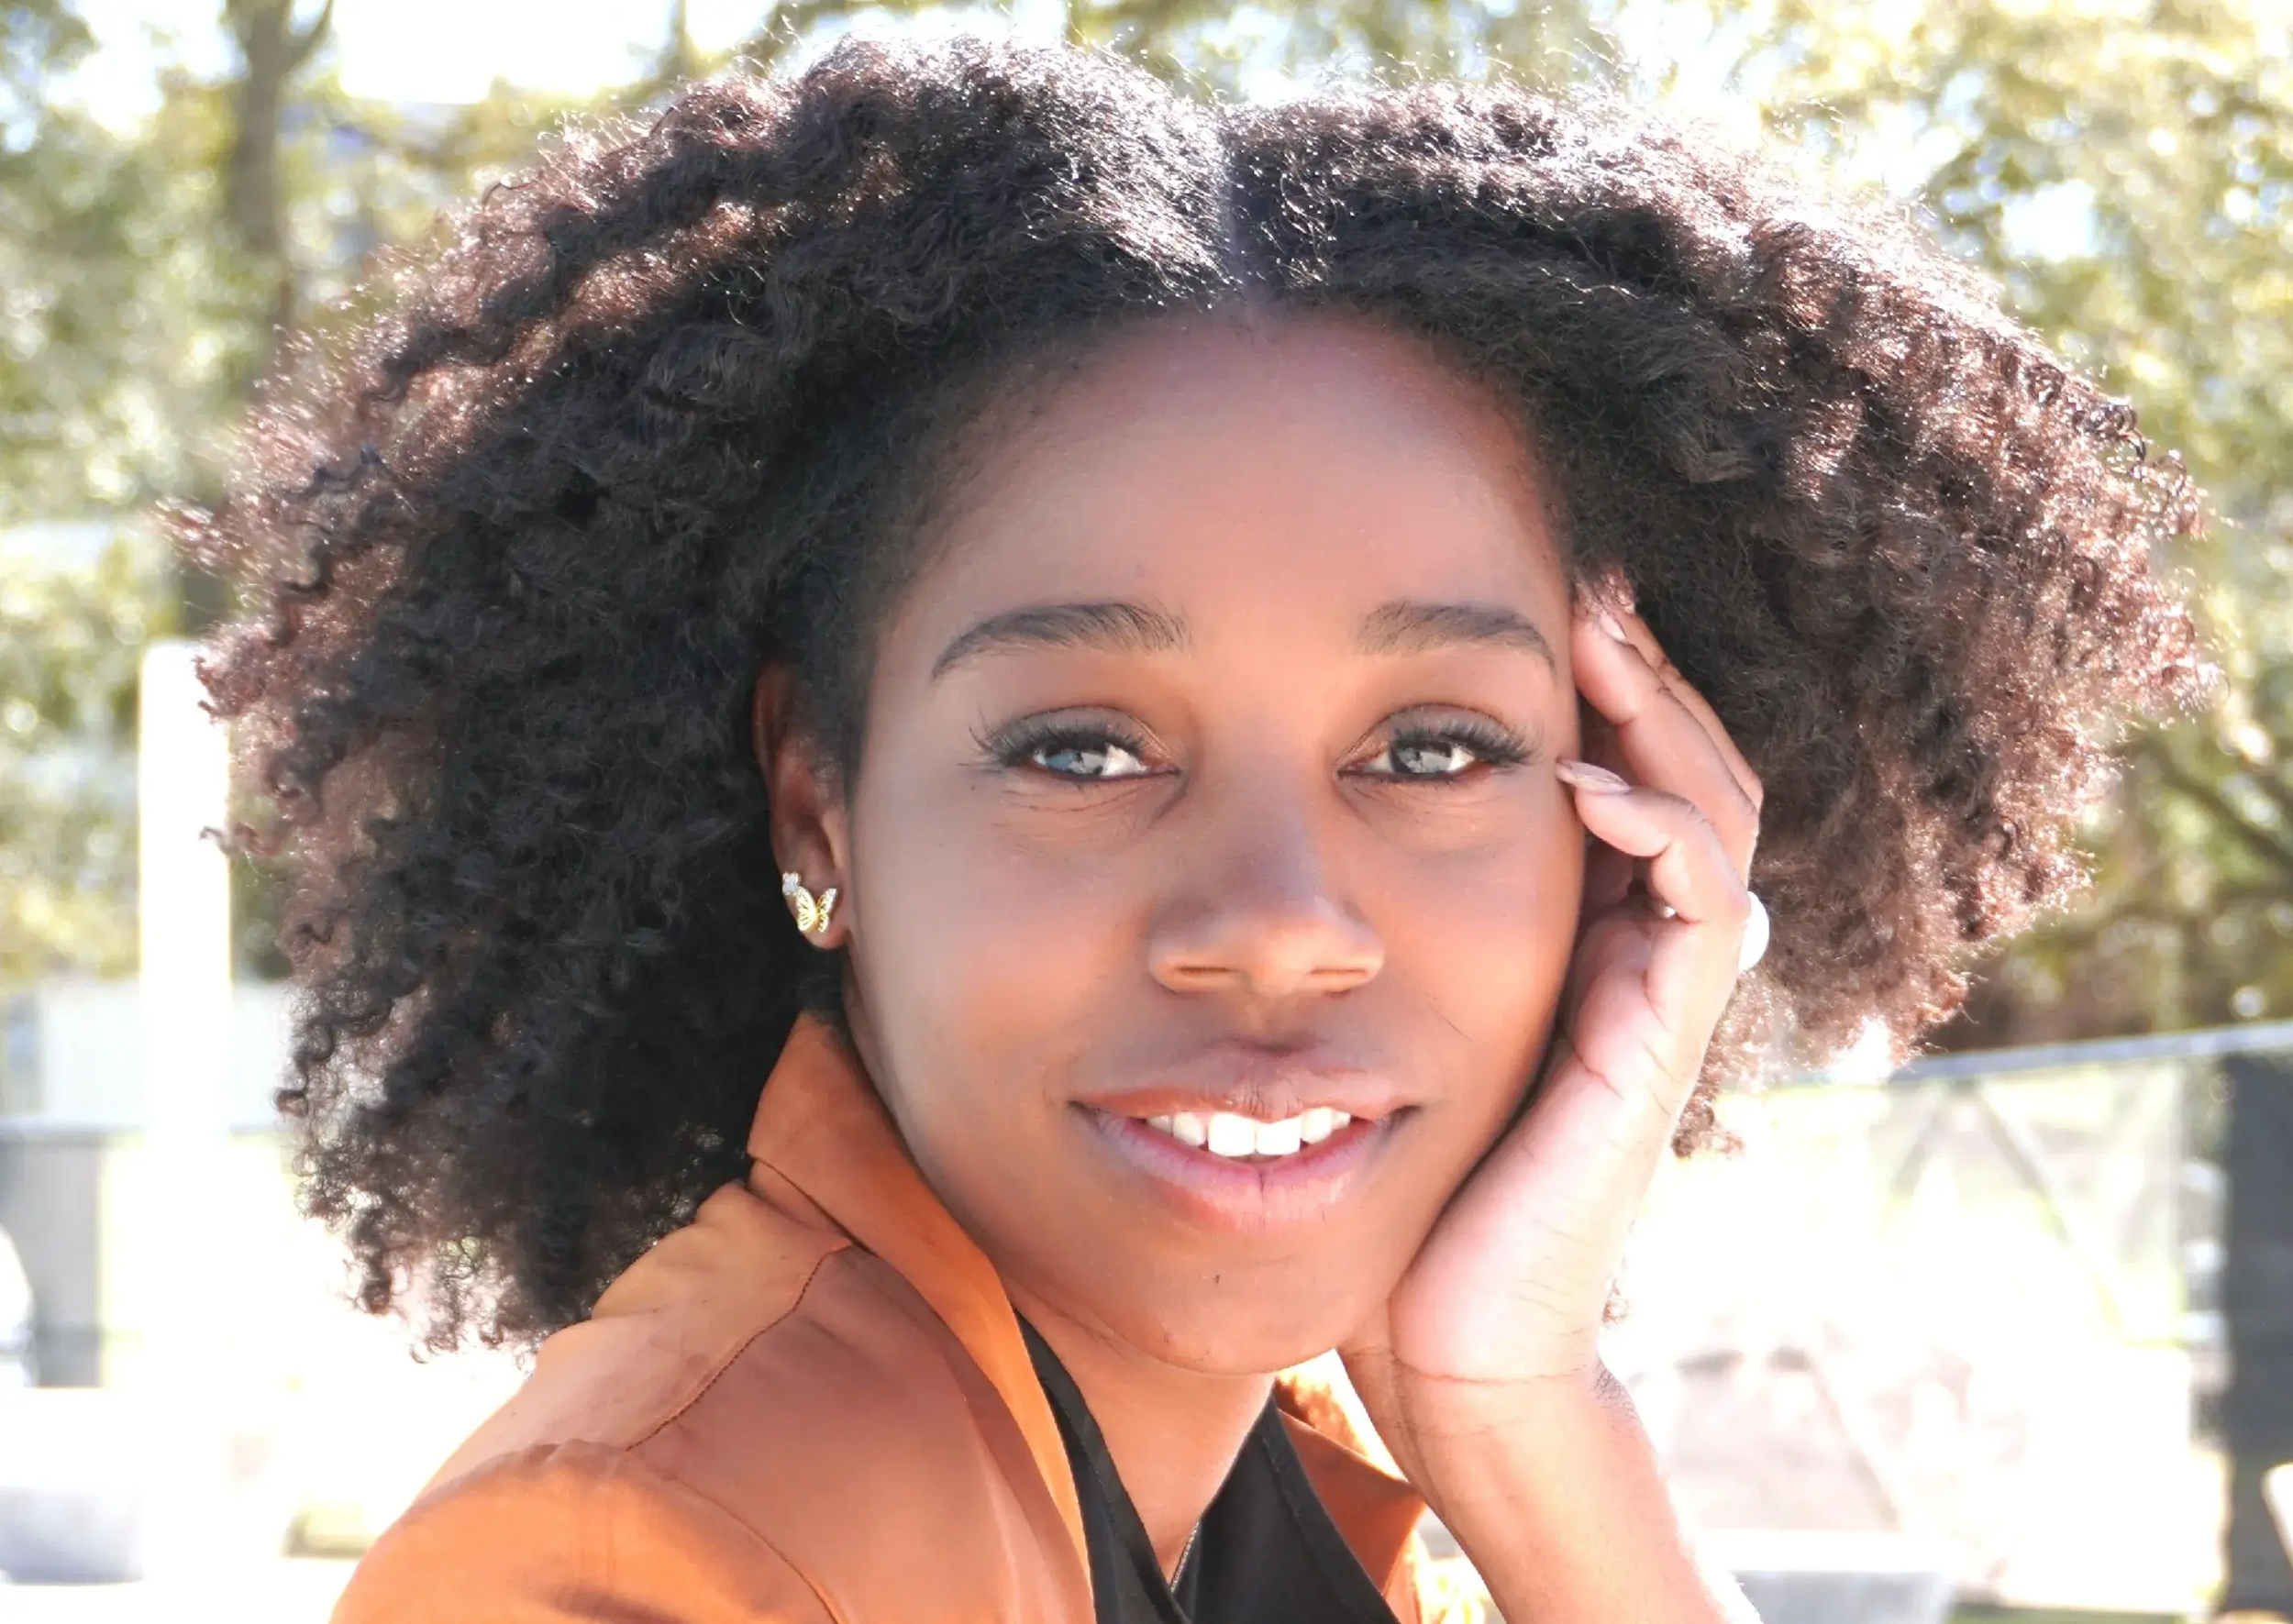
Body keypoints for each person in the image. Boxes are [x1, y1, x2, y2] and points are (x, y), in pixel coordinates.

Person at [193, 35, 2202, 1624]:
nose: (1278, 921)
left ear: (1631, 830)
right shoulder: (644, 1562)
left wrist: (1529, 1419)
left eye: (1433, 748)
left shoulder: (1288, 1474)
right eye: (1082, 749)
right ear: (821, 800)